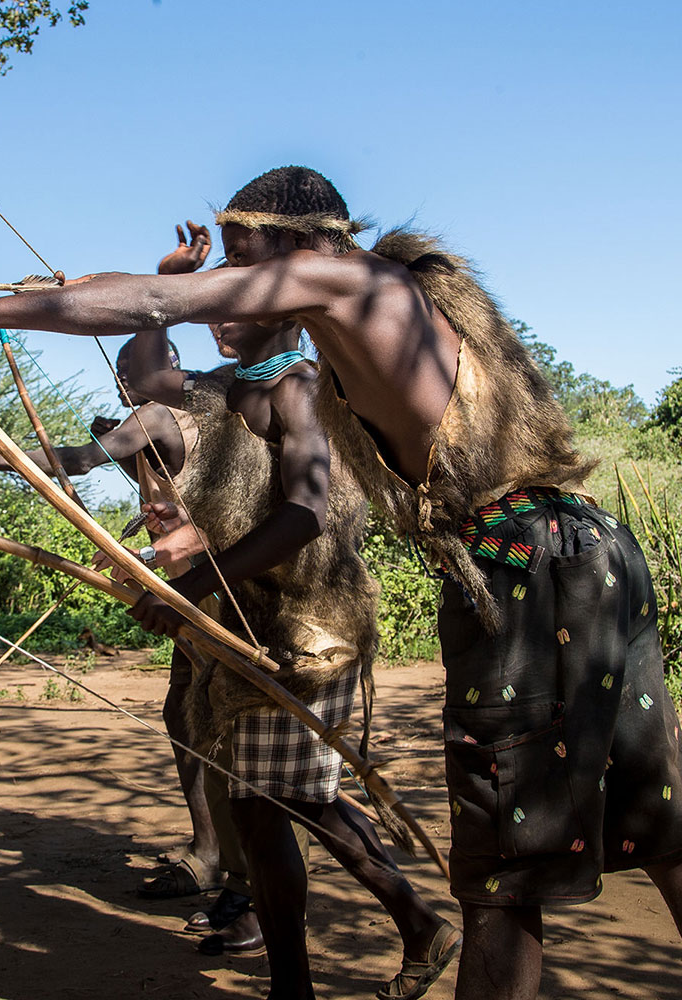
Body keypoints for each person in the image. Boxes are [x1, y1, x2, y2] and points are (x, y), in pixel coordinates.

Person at [0, 166, 682, 1000]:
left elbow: (162, 301)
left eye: (247, 261)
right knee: (668, 842)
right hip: (585, 552)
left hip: (521, 575)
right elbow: (164, 328)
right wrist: (134, 296)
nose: (235, 284)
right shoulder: (376, 317)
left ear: (298, 245)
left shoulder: (348, 281)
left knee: (503, 884)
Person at [117, 248, 457, 993]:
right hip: (260, 622)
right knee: (272, 808)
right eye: (213, 305)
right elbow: (143, 383)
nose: (217, 317)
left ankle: (390, 938)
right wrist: (168, 285)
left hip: (313, 629)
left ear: (285, 312)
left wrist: (197, 580)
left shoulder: (303, 387)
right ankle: (339, 964)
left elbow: (304, 513)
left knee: (289, 802)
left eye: (234, 303)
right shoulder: (223, 389)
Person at [0, 230, 223, 901]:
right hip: (201, 585)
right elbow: (158, 480)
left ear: (138, 375)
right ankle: (216, 852)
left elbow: (81, 457)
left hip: (208, 590)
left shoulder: (157, 408)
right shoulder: (198, 410)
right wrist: (65, 296)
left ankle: (222, 859)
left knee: (205, 718)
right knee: (189, 713)